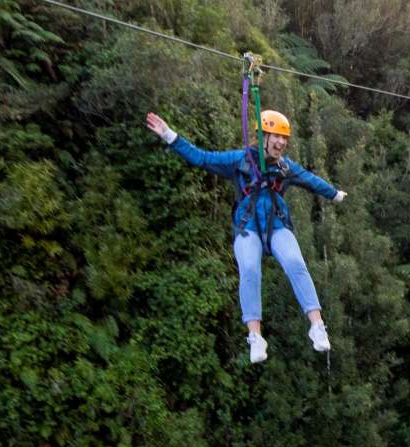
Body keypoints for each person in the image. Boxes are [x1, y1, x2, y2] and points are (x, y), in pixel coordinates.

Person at [145, 110, 347, 363]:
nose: (281, 143)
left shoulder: (285, 167)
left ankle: (317, 325)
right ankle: (255, 337)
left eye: (284, 139)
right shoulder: (239, 161)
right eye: (276, 137)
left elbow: (310, 180)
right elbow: (202, 158)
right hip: (247, 226)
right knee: (250, 268)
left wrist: (334, 194)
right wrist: (170, 136)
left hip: (276, 225)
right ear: (263, 136)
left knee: (296, 263)